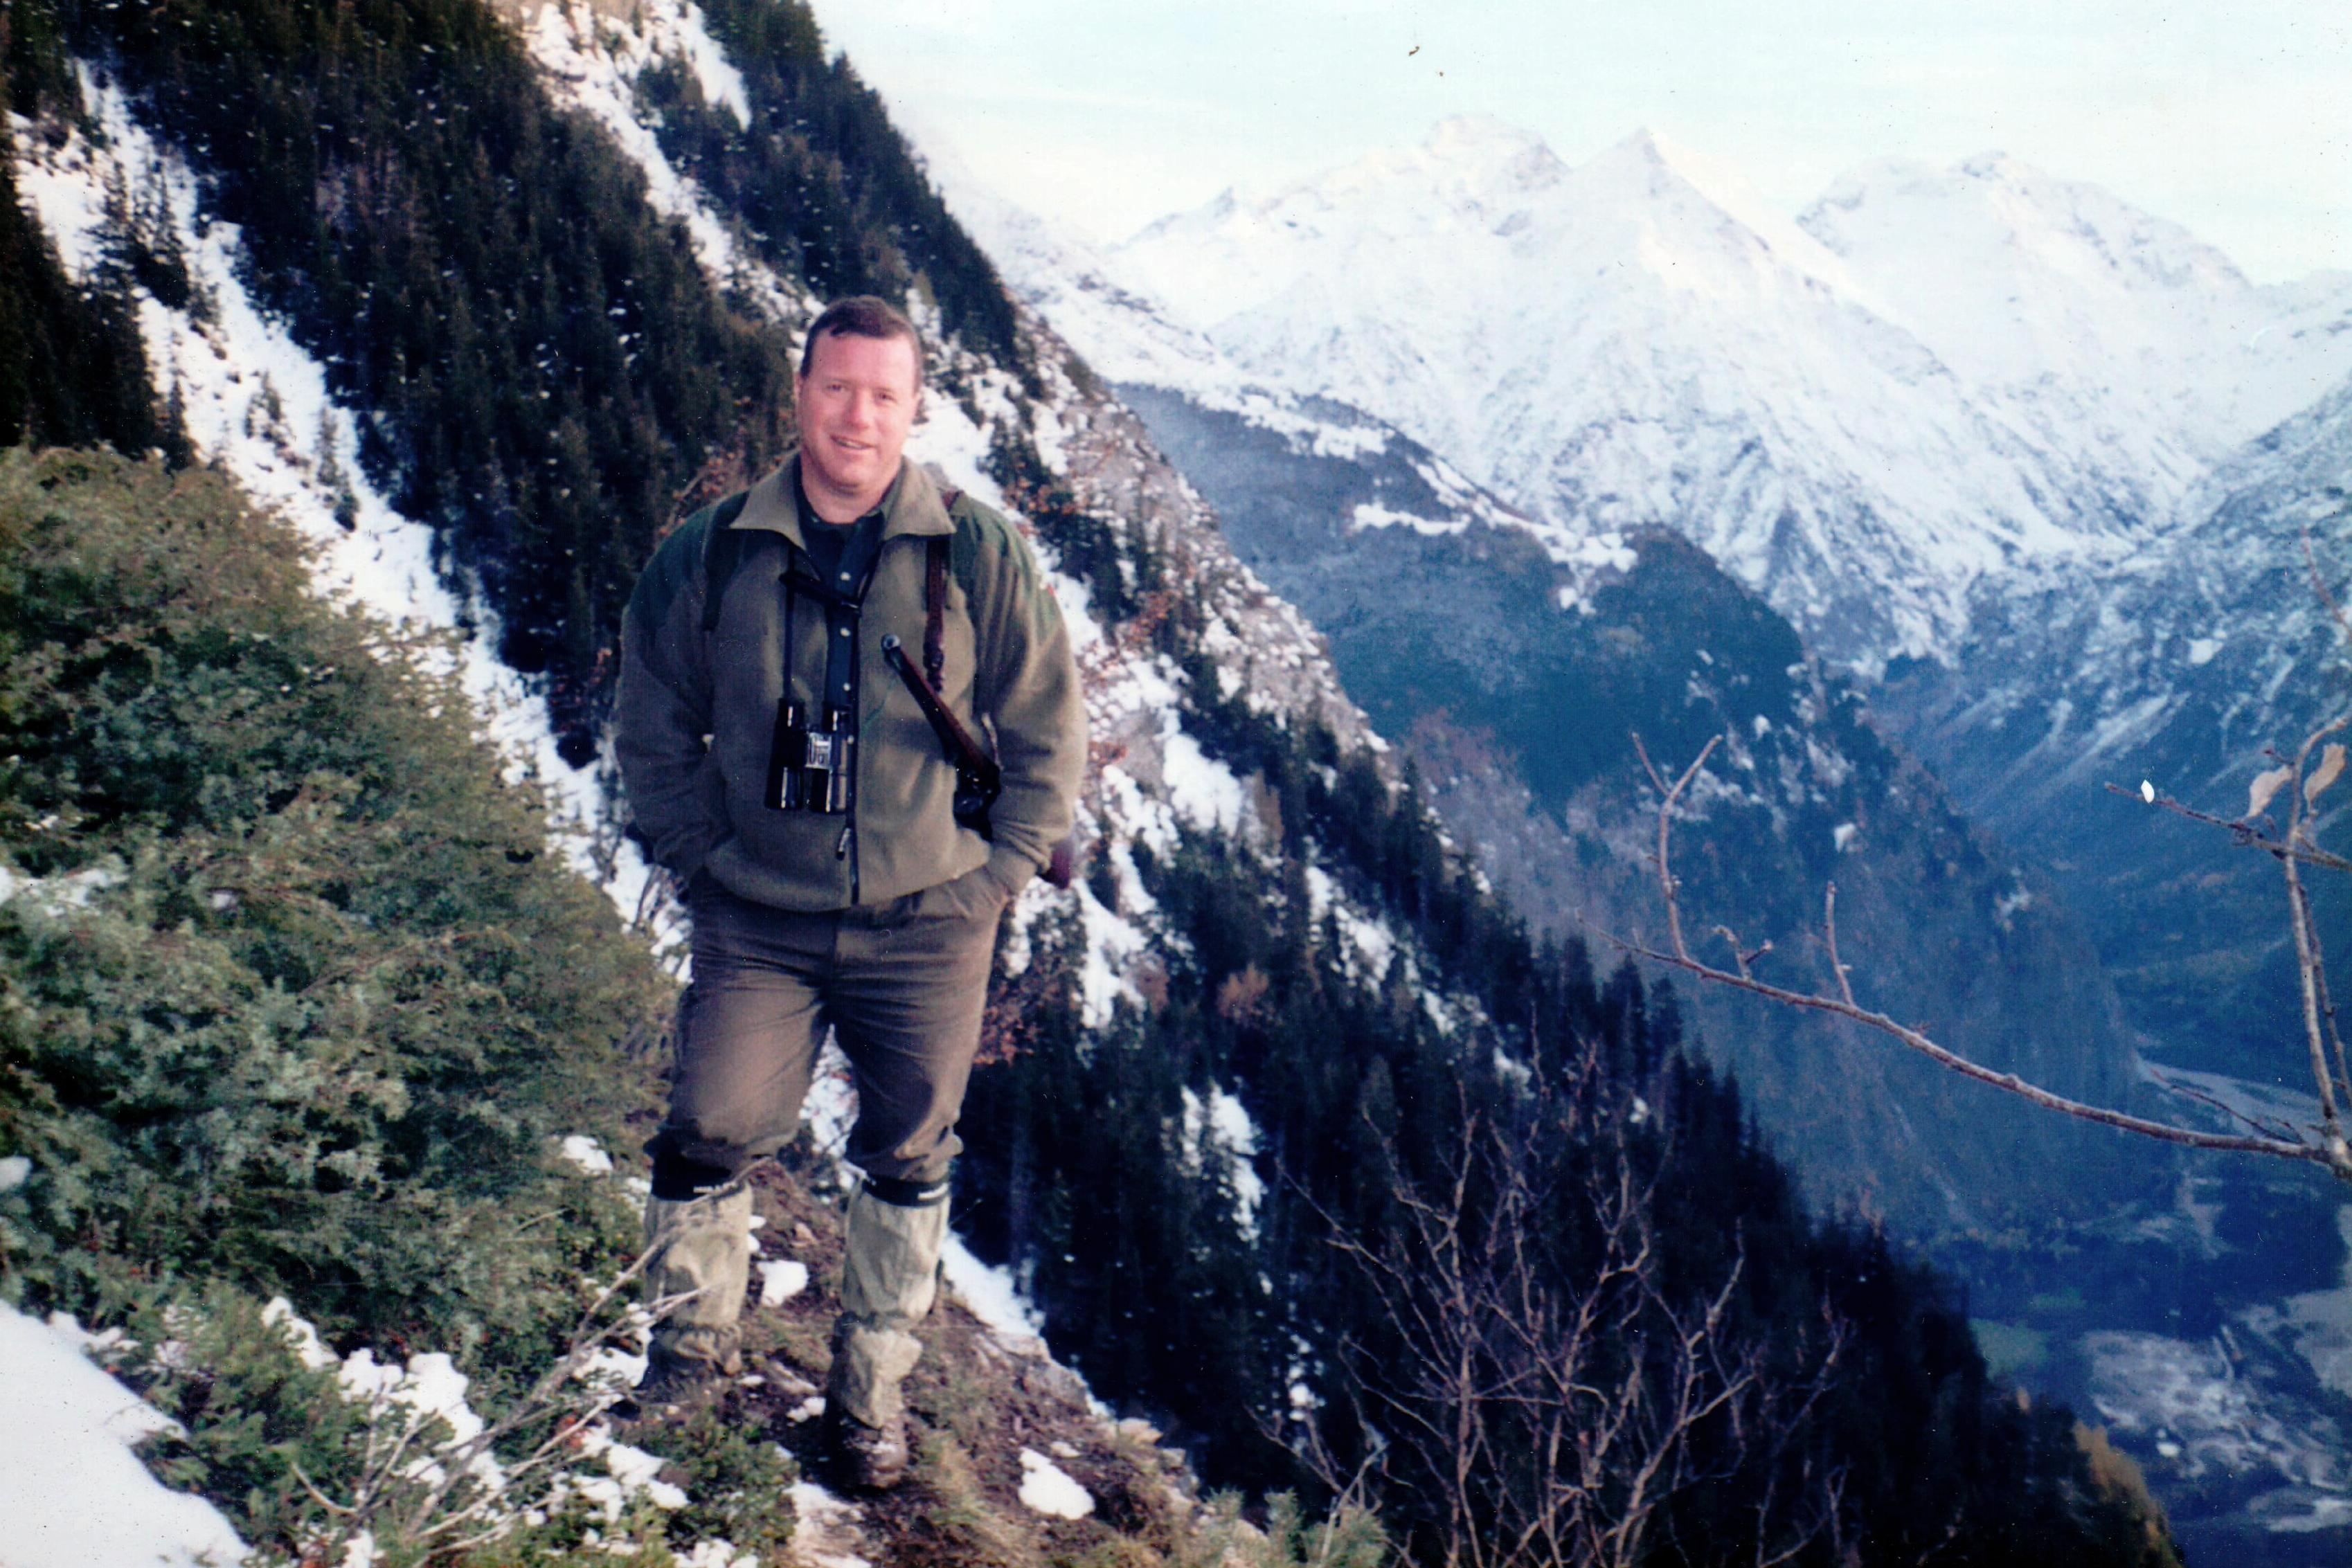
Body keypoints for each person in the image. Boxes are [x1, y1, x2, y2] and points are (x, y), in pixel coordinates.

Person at [612, 296, 1086, 1490]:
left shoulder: (977, 553)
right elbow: (653, 714)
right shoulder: (714, 552)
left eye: (883, 393)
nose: (857, 416)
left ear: (914, 403)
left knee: (909, 1153)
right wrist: (696, 853)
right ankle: (687, 1359)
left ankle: (868, 1402)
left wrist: (999, 872)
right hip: (756, 917)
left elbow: (1045, 725)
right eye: (836, 388)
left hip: (932, 922)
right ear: (801, 393)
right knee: (709, 1126)